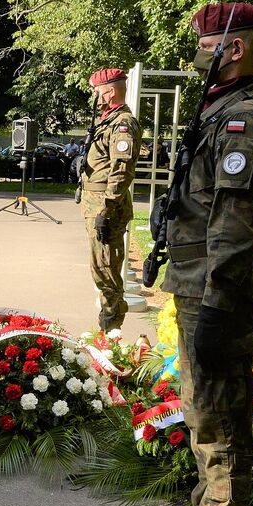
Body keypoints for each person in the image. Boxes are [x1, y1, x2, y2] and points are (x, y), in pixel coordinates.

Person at [147, 3, 253, 506]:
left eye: (205, 45)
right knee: (206, 406)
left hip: (215, 289)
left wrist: (218, 308)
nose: (197, 54)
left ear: (232, 48)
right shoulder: (220, 109)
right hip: (198, 281)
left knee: (216, 416)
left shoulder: (245, 119)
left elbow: (235, 224)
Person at [79, 68, 142, 332]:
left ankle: (111, 333)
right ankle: (107, 328)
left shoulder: (122, 123)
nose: (95, 97)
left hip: (106, 208)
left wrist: (107, 207)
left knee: (107, 271)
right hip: (96, 205)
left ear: (110, 91)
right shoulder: (106, 120)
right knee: (100, 269)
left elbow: (121, 169)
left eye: (97, 92)